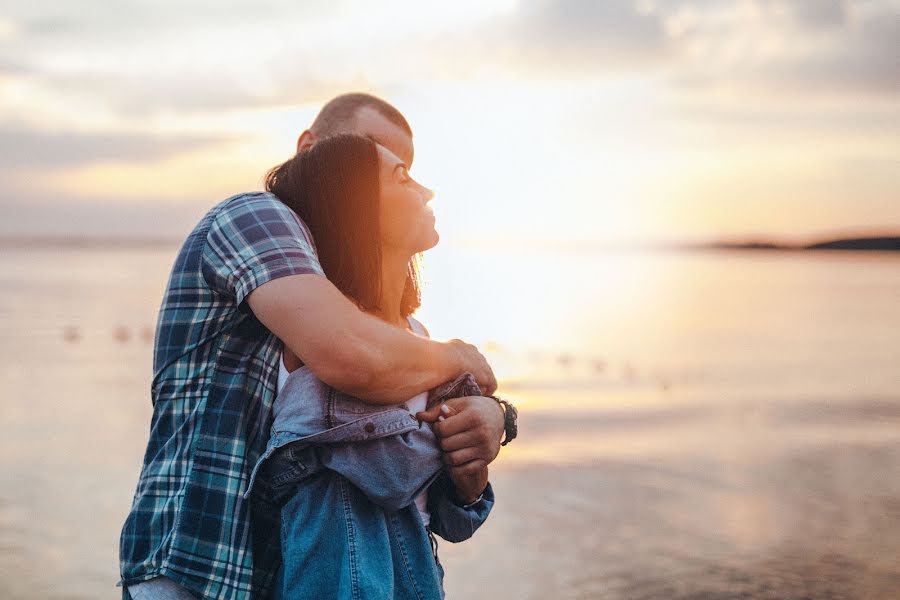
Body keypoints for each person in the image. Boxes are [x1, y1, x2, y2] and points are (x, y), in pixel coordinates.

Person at [119, 94, 516, 600]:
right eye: (376, 154)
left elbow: (442, 510)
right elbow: (352, 357)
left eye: (407, 168)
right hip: (202, 571)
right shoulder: (256, 218)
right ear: (311, 151)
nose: (417, 184)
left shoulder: (400, 333)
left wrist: (490, 423)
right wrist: (460, 360)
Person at [248, 133, 501, 599]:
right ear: (356, 208)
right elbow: (390, 474)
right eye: (402, 177)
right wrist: (455, 420)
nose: (427, 191)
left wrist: (469, 470)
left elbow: (447, 519)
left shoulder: (419, 340)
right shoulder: (325, 344)